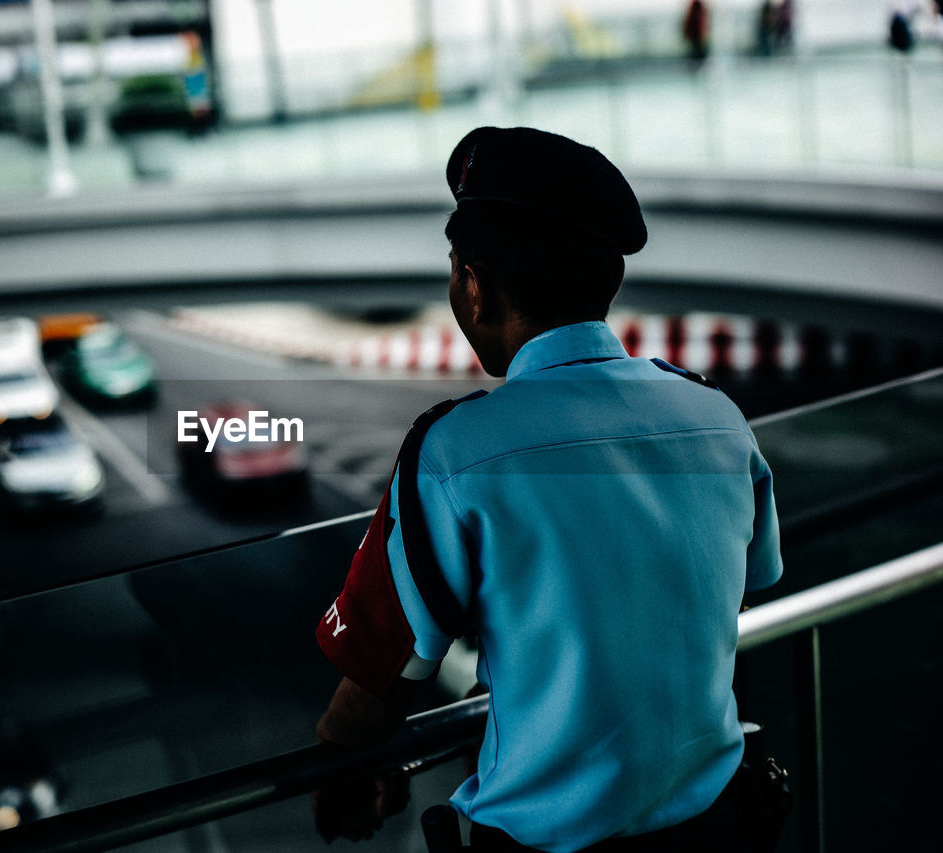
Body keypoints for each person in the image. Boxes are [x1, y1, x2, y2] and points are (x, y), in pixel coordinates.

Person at [311, 127, 785, 852]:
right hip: (722, 829)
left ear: (474, 286)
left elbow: (374, 688)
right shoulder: (717, 419)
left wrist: (345, 769)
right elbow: (724, 593)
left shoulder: (452, 454)